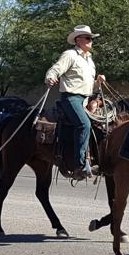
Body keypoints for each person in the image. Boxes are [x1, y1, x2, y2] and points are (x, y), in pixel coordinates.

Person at [45, 25, 106, 180]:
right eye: (88, 38)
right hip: (71, 98)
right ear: (78, 40)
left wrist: (98, 83)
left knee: (102, 124)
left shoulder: (90, 60)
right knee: (83, 124)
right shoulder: (70, 55)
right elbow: (55, 69)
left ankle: (96, 158)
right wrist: (50, 77)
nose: (91, 41)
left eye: (91, 38)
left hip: (86, 98)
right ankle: (79, 165)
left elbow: (88, 85)